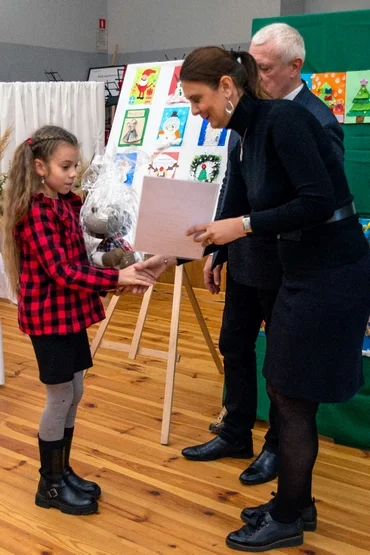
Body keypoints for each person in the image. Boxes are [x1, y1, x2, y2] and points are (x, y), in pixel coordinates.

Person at [135, 47, 370, 551]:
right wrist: (169, 257)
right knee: (287, 391)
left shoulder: (282, 120)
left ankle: (288, 515)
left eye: (198, 100)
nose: (195, 112)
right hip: (305, 271)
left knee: (292, 396)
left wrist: (237, 225)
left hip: (330, 273)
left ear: (226, 85)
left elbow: (316, 202)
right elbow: (238, 217)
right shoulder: (248, 134)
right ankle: (296, 502)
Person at [184, 24, 346, 489]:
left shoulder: (314, 119)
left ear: (296, 67)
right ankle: (235, 431)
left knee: (281, 365)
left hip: (290, 269)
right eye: (252, 66)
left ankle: (279, 445)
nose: (258, 76)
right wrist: (217, 248)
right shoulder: (247, 117)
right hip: (247, 258)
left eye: (267, 68)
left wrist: (244, 228)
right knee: (234, 345)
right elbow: (234, 188)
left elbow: (318, 201)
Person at [2, 125, 156, 516]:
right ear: (40, 167)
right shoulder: (35, 212)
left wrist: (121, 263)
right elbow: (62, 271)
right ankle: (49, 485)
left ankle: (63, 470)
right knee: (60, 396)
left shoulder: (68, 204)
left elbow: (84, 258)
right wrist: (117, 277)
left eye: (76, 166)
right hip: (48, 318)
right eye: (65, 166)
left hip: (68, 313)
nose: (73, 174)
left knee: (76, 389)